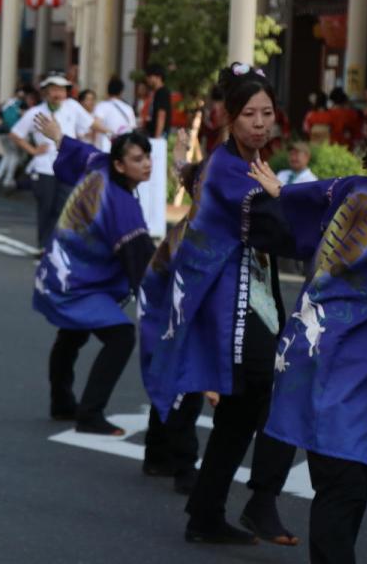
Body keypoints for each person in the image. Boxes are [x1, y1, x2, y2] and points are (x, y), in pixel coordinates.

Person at [143, 63, 300, 547]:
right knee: (272, 387)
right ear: (229, 118)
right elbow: (278, 227)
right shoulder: (228, 169)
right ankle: (260, 500)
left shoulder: (249, 164)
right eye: (249, 113)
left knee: (242, 408)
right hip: (220, 301)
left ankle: (206, 512)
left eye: (267, 112)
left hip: (245, 296)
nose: (259, 122)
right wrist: (292, 198)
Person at [250, 115, 367, 564]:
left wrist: (280, 190)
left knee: (337, 483)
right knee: (345, 487)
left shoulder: (356, 189)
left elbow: (310, 195)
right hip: (345, 370)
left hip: (307, 347)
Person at [31, 114, 154, 435]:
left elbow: (79, 151)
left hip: (60, 269)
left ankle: (62, 403)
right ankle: (90, 412)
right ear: (120, 165)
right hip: (78, 282)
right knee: (121, 336)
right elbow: (140, 265)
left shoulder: (99, 165)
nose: (147, 165)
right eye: (137, 159)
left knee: (71, 334)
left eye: (147, 157)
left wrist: (58, 136)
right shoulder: (122, 205)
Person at [139, 141, 205, 496]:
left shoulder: (199, 221)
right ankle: (183, 466)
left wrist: (181, 158)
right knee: (184, 388)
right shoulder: (195, 229)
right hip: (172, 314)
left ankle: (157, 455)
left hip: (169, 310)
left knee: (172, 384)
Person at [9, 73, 103, 248]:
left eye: (61, 90)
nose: (58, 94)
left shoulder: (72, 107)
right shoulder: (36, 113)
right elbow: (15, 134)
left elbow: (91, 123)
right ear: (45, 92)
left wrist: (113, 132)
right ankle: (43, 245)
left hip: (68, 167)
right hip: (44, 167)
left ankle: (58, 245)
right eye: (53, 90)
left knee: (64, 207)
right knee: (46, 207)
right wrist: (33, 150)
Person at [93, 76, 138, 152]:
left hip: (104, 148)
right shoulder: (128, 108)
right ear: (121, 92)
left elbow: (95, 124)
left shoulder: (101, 106)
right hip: (123, 149)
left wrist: (111, 133)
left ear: (107, 90)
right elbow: (132, 128)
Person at [144, 64, 172, 138]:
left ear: (158, 77)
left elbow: (161, 115)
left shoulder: (162, 93)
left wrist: (157, 138)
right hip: (154, 133)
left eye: (150, 76)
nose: (147, 79)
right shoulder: (157, 93)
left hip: (159, 135)